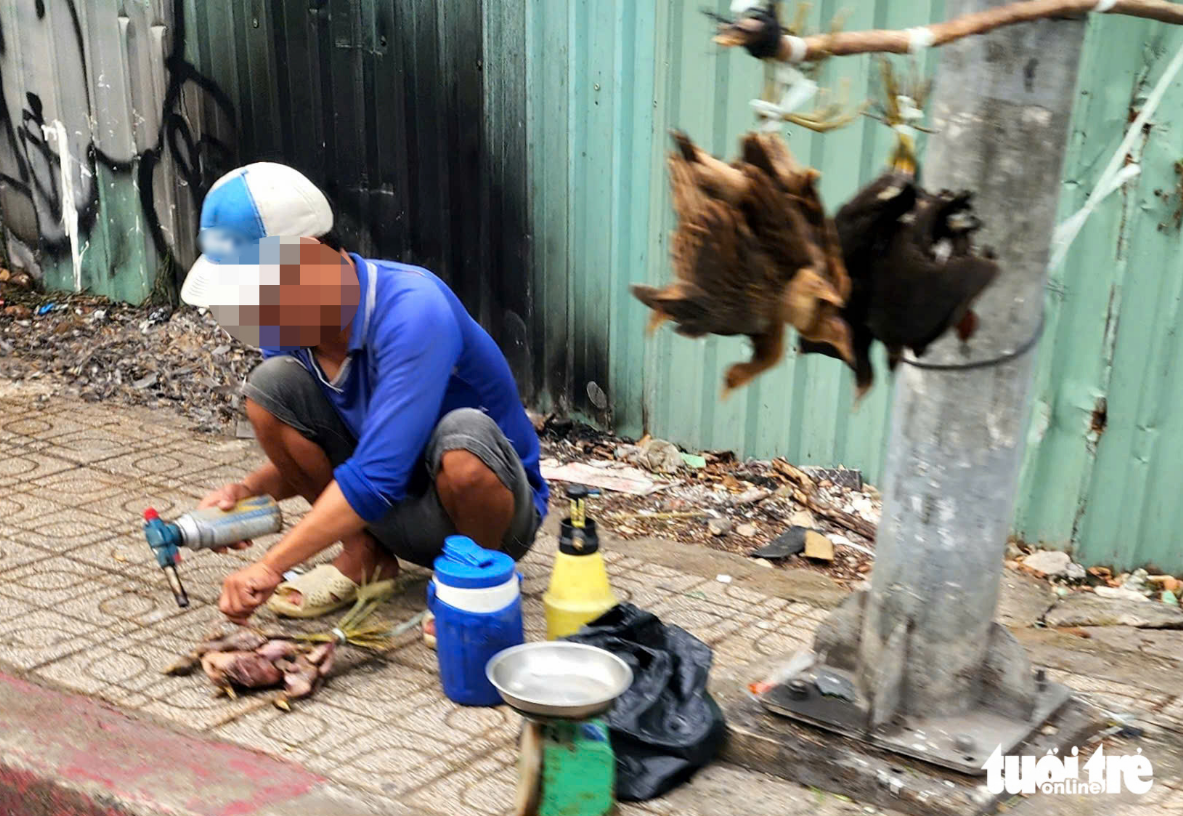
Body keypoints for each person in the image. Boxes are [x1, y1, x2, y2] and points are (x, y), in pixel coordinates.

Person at [179, 162, 548, 632]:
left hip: (490, 512)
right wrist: (248, 493)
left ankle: (475, 584)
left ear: (307, 259)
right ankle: (365, 556)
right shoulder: (291, 325)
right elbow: (334, 453)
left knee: (465, 438)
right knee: (270, 387)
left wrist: (271, 565)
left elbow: (376, 476)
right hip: (389, 509)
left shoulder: (414, 311)